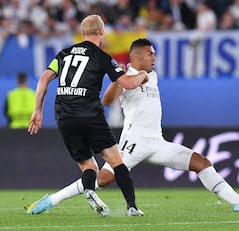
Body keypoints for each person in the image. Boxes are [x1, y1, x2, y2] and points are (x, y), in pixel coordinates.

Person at [27, 38, 239, 215]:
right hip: (134, 141)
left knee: (201, 162)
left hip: (157, 141)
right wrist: (120, 79)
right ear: (136, 56)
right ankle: (52, 200)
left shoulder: (151, 75)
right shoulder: (124, 74)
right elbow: (107, 101)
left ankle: (238, 202)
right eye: (150, 54)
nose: (154, 58)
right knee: (102, 180)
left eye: (154, 54)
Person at [26, 15, 149, 217]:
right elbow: (127, 83)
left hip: (64, 116)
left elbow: (43, 79)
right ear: (102, 31)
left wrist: (37, 110)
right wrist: (142, 74)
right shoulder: (101, 56)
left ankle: (90, 190)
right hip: (89, 114)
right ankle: (132, 207)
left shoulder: (63, 55)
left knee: (88, 165)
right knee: (117, 161)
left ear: (83, 33)